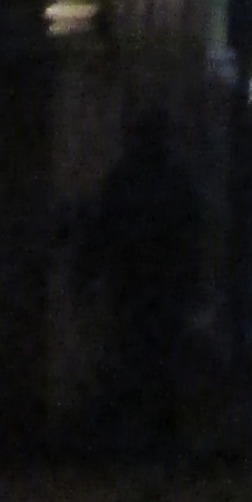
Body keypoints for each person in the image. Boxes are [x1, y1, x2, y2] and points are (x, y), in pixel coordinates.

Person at [74, 100, 205, 454]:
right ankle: (161, 432)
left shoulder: (124, 178)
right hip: (162, 284)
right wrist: (193, 282)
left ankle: (139, 432)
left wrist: (88, 272)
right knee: (161, 357)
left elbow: (105, 228)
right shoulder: (174, 180)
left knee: (135, 354)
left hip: (133, 283)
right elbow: (191, 234)